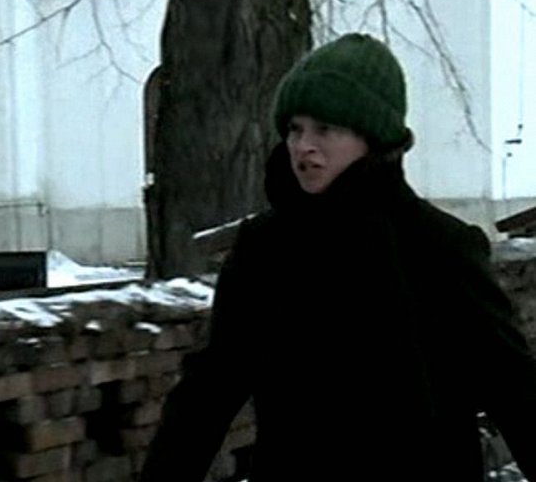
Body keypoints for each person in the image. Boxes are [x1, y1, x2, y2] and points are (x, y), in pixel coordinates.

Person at [140, 33, 536, 481]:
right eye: (295, 129)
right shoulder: (265, 248)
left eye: (325, 129)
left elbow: (512, 387)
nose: (303, 145)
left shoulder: (440, 246)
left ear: (372, 136)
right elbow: (210, 390)